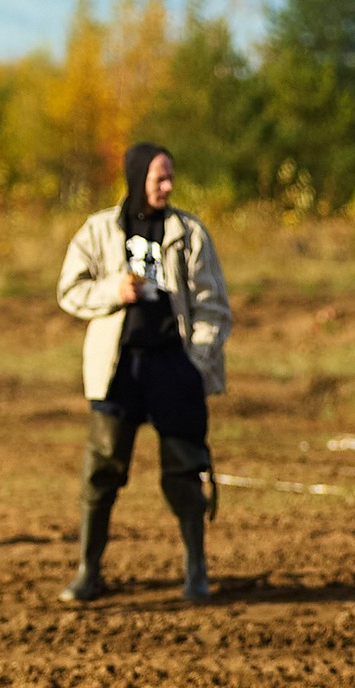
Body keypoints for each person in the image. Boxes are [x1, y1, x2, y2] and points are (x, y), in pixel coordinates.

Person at [56, 143, 232, 603]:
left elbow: (214, 306)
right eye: (159, 178)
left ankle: (196, 570)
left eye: (171, 177)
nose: (168, 186)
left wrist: (197, 359)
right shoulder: (100, 230)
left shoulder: (188, 231)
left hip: (174, 368)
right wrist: (113, 291)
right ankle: (87, 570)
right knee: (102, 469)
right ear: (137, 178)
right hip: (118, 369)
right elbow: (69, 290)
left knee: (184, 468)